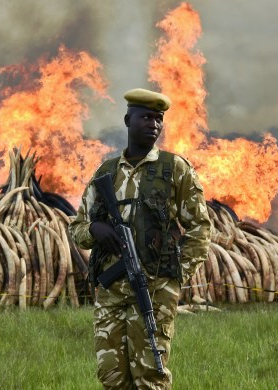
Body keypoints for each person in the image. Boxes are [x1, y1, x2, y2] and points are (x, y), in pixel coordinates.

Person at [69, 88, 211, 389]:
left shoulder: (175, 169)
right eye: (146, 117)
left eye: (159, 119)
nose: (154, 124)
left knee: (150, 377)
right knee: (111, 376)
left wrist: (176, 277)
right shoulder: (105, 173)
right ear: (127, 120)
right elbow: (77, 226)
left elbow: (199, 227)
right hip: (111, 294)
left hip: (155, 293)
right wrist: (95, 230)